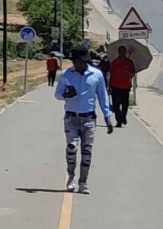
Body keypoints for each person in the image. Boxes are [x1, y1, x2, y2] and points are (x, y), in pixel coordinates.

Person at [55, 46, 115, 193]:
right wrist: (66, 95)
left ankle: (83, 182)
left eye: (81, 62)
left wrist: (107, 117)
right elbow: (57, 95)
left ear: (86, 61)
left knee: (87, 151)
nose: (78, 64)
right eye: (76, 62)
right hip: (71, 118)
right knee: (72, 148)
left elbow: (102, 96)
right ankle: (71, 177)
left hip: (89, 119)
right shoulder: (66, 75)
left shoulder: (96, 75)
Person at [109, 44, 137, 128]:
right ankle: (119, 121)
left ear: (125, 52)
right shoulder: (114, 62)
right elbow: (111, 74)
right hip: (115, 86)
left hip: (125, 87)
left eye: (123, 51)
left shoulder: (129, 62)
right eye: (120, 51)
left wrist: (130, 74)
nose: (121, 53)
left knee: (125, 105)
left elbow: (133, 73)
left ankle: (123, 116)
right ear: (118, 52)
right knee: (116, 105)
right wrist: (109, 86)